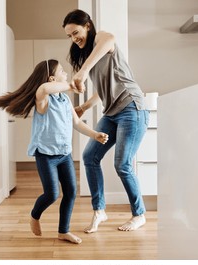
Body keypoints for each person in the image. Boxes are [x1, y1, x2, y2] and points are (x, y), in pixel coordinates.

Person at [0, 59, 108, 244]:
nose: (66, 74)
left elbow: (76, 123)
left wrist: (95, 135)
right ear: (52, 78)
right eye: (62, 71)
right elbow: (44, 89)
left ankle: (63, 231)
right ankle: (35, 215)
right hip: (45, 155)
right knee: (52, 194)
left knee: (70, 192)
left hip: (64, 154)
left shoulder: (65, 99)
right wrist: (70, 85)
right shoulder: (43, 99)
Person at [62, 9, 149, 233]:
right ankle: (99, 210)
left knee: (122, 164)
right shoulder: (90, 53)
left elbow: (110, 39)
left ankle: (139, 214)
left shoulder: (102, 38)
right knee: (89, 156)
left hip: (131, 107)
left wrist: (82, 72)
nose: (74, 38)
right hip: (111, 112)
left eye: (76, 32)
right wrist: (83, 106)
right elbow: (103, 90)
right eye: (70, 36)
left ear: (87, 26)